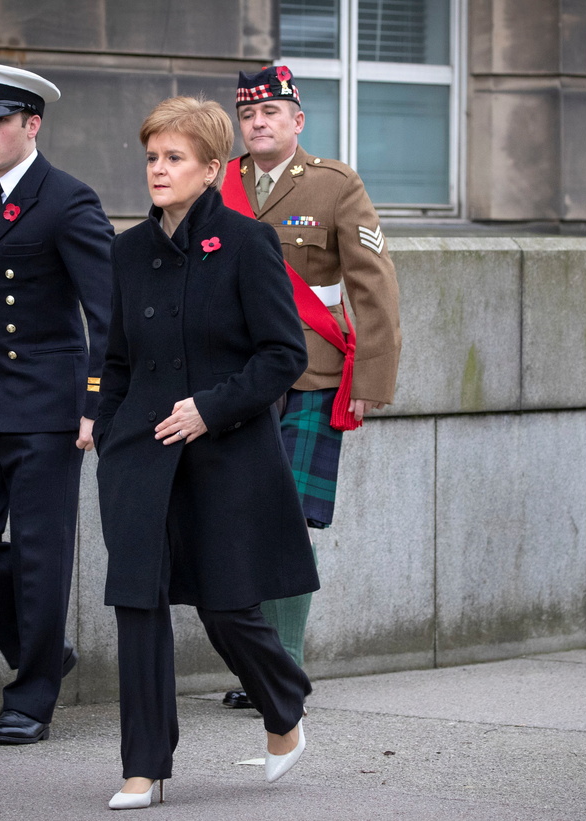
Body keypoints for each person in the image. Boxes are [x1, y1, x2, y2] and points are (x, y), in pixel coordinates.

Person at [94, 96, 318, 810]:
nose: (158, 170)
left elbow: (284, 354)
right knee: (137, 604)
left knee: (227, 609)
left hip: (224, 456)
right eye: (152, 157)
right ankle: (143, 767)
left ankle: (283, 705)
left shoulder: (248, 242)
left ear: (212, 168)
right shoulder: (127, 249)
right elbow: (117, 358)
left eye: (175, 158)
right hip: (139, 455)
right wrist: (108, 430)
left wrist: (209, 409)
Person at [218, 65, 402, 710]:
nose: (258, 123)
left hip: (310, 373)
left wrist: (371, 378)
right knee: (240, 520)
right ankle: (258, 662)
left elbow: (373, 282)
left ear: (297, 120)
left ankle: (283, 668)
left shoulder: (334, 184)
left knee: (289, 521)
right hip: (233, 379)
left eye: (271, 112)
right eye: (248, 114)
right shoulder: (216, 181)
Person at [0, 63, 113, 743]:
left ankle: (31, 697)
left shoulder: (67, 199)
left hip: (48, 406)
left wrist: (95, 403)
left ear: (31, 124)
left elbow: (108, 312)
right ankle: (42, 647)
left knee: (42, 553)